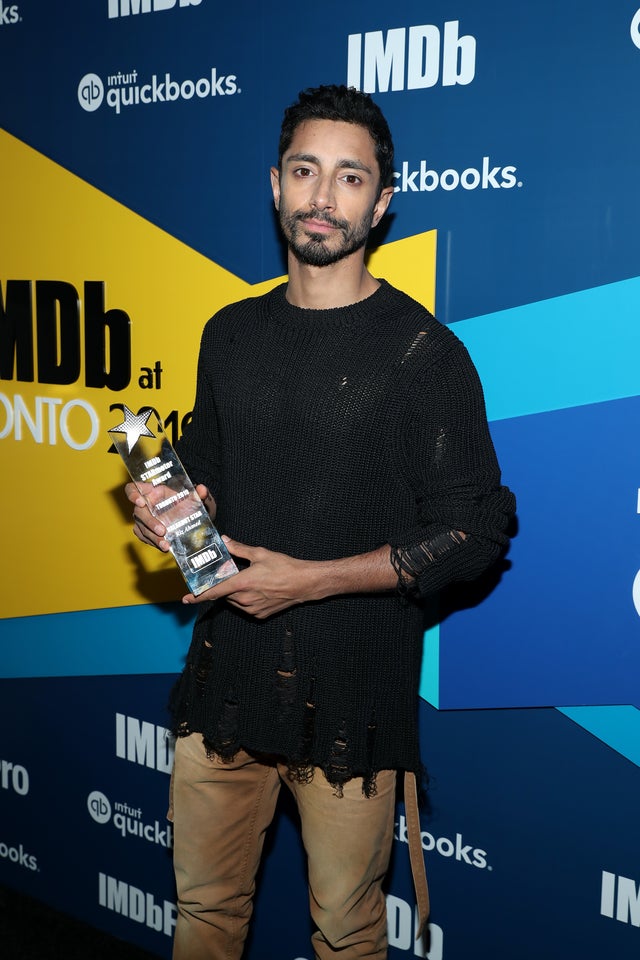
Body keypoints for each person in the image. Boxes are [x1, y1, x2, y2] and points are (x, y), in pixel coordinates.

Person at [127, 84, 516, 960]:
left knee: (345, 935)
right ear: (275, 184)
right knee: (204, 916)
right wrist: (174, 511)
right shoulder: (227, 332)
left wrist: (312, 580)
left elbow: (478, 527)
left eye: (349, 178)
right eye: (305, 171)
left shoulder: (424, 355)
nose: (321, 197)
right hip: (222, 687)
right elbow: (217, 476)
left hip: (352, 700)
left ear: (380, 204)